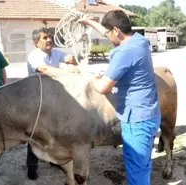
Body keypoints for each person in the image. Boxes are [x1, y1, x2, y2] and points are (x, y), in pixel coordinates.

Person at [78, 10, 161, 185]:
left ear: (116, 31)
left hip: (136, 120)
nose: (107, 36)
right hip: (150, 113)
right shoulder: (140, 40)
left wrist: (92, 75)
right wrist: (90, 22)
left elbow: (102, 87)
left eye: (108, 33)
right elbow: (111, 33)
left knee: (136, 169)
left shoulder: (124, 52)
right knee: (143, 163)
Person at [26, 27, 77, 180]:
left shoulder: (55, 52)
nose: (49, 40)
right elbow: (45, 69)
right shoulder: (34, 56)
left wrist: (71, 58)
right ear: (36, 43)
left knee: (55, 132)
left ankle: (54, 160)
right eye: (45, 38)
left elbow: (69, 58)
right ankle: (32, 166)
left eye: (50, 37)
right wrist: (67, 72)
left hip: (54, 99)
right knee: (36, 134)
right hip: (37, 100)